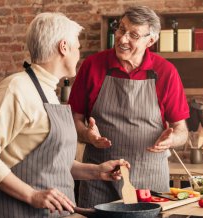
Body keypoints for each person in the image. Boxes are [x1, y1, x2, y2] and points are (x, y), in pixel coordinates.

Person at [0, 12, 130, 218]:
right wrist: (32, 195)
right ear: (64, 47)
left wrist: (96, 171)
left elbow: (52, 164)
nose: (79, 53)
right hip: (15, 212)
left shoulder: (49, 90)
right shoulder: (16, 88)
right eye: (77, 47)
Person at [68, 5, 189, 207]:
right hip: (99, 178)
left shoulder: (166, 72)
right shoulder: (93, 66)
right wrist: (87, 135)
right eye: (121, 29)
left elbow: (182, 129)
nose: (123, 39)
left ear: (150, 40)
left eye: (133, 35)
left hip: (149, 182)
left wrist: (173, 139)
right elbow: (75, 120)